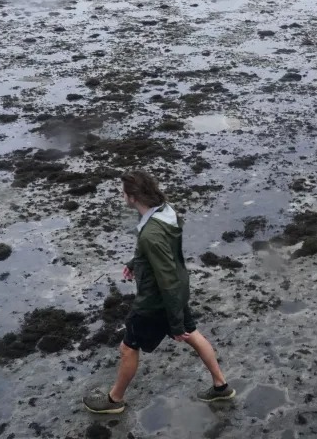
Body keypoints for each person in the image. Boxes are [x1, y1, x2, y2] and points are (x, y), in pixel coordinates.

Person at [83, 170, 235, 414]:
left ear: (133, 197)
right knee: (193, 334)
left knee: (128, 347)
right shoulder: (166, 212)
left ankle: (114, 401)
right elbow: (163, 252)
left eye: (123, 193)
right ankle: (221, 386)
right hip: (176, 291)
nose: (121, 197)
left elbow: (166, 278)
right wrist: (136, 262)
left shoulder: (151, 234)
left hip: (157, 300)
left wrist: (174, 324)